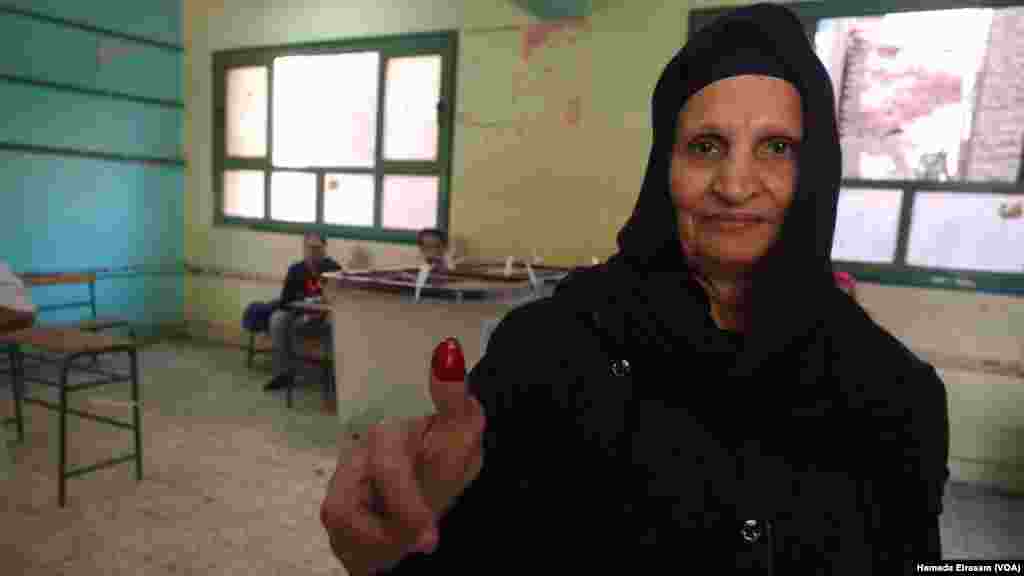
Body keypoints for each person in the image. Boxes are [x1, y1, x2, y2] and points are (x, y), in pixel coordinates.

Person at [319, 4, 950, 574]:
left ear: (814, 174)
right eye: (706, 146)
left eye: (777, 147)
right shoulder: (552, 350)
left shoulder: (893, 394)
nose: (735, 184)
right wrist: (395, 543)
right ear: (662, 169)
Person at [264, 232, 341, 391]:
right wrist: (302, 305)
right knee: (277, 319)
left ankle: (337, 377)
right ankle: (285, 373)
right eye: (310, 248)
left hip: (325, 316)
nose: (313, 252)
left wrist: (324, 303)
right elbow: (285, 301)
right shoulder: (295, 270)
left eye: (317, 248)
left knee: (340, 323)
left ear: (324, 249)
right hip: (300, 315)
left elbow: (340, 299)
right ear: (304, 249)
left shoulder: (333, 269)